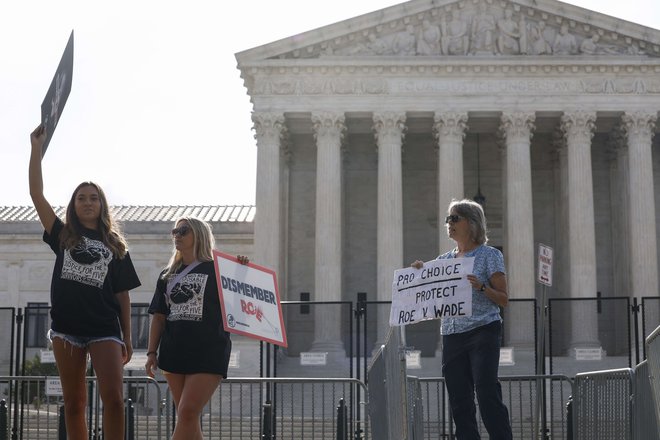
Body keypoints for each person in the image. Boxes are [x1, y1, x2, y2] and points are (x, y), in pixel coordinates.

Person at [29, 124, 141, 440]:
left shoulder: (115, 243)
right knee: (75, 404)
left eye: (94, 198)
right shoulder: (63, 234)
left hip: (105, 327)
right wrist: (36, 150)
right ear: (74, 204)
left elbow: (123, 295)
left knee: (115, 401)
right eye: (82, 198)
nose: (88, 202)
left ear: (102, 204)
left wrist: (128, 337)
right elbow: (36, 195)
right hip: (66, 328)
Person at [412, 199, 512, 440]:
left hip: (483, 330)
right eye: (448, 219)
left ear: (472, 222)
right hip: (452, 334)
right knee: (459, 400)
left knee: (487, 393)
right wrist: (418, 273)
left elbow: (504, 299)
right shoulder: (444, 261)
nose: (449, 223)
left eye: (455, 218)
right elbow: (430, 292)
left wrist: (481, 288)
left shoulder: (490, 256)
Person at [145, 216, 247, 440]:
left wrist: (241, 271)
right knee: (188, 419)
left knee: (187, 412)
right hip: (173, 351)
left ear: (199, 235)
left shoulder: (219, 270)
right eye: (175, 231)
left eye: (183, 231)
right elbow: (159, 317)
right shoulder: (167, 275)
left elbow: (242, 301)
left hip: (208, 350)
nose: (177, 235)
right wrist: (152, 352)